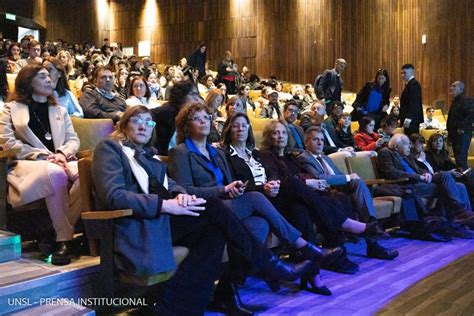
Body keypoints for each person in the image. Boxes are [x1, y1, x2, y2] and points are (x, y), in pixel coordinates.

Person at [91, 105, 312, 315]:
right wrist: (166, 205)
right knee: (215, 208)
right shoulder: (110, 148)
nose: (143, 126)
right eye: (136, 121)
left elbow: (169, 184)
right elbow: (114, 196)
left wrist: (181, 196)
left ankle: (175, 310)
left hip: (164, 219)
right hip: (142, 223)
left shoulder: (149, 156)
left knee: (213, 233)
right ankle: (267, 263)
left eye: (149, 123)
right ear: (124, 126)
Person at [167, 103, 336, 300]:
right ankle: (302, 247)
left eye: (206, 117)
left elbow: (230, 182)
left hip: (228, 205)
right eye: (197, 118)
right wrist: (222, 190)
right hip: (205, 210)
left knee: (259, 224)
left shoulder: (216, 152)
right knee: (256, 198)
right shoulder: (180, 152)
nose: (204, 122)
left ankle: (229, 289)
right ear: (187, 125)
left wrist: (235, 187)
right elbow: (185, 190)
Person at [258, 120, 391, 274]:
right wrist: (309, 182)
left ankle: (334, 255)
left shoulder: (290, 157)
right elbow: (279, 178)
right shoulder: (265, 155)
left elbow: (302, 176)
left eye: (282, 132)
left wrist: (310, 182)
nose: (280, 136)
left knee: (335, 200)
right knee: (309, 200)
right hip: (280, 199)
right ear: (268, 136)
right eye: (275, 133)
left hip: (298, 199)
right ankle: (346, 227)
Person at [0, 64, 81, 265]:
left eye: (49, 76)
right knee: (55, 173)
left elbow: (73, 140)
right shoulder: (10, 109)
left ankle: (54, 233)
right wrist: (41, 155)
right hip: (26, 165)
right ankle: (64, 239)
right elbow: (7, 142)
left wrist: (62, 153)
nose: (49, 80)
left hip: (61, 160)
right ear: (28, 81)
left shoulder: (60, 110)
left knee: (87, 172)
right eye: (42, 76)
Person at [297, 126, 398, 259]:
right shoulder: (304, 158)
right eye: (316, 140)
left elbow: (339, 176)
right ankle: (373, 233)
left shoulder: (326, 158)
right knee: (354, 186)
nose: (320, 143)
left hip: (340, 190)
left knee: (358, 183)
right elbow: (321, 178)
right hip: (325, 193)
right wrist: (348, 177)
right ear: (306, 142)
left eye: (321, 140)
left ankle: (371, 226)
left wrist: (349, 178)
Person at [377, 134, 473, 227]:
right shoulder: (385, 153)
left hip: (420, 181)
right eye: (407, 144)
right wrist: (419, 177)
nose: (410, 147)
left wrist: (426, 173)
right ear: (397, 147)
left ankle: (466, 219)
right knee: (452, 188)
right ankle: (458, 218)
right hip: (408, 184)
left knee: (453, 180)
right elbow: (391, 173)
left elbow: (418, 169)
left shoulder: (407, 155)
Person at [151, 80, 202, 155]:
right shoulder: (168, 110)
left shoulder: (190, 113)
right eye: (193, 94)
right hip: (163, 157)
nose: (197, 99)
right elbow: (147, 115)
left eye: (198, 95)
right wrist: (150, 143)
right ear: (182, 95)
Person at [446, 81, 474, 170]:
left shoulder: (466, 99)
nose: (451, 88)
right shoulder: (456, 100)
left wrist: (462, 127)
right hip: (455, 134)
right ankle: (461, 179)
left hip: (462, 134)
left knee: (461, 159)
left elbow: (471, 114)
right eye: (451, 86)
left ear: (461, 89)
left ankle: (466, 181)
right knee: (458, 159)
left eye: (454, 86)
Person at [399, 64, 423, 135]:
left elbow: (414, 102)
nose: (402, 75)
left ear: (412, 72)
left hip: (411, 119)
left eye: (405, 73)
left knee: (412, 139)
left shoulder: (414, 84)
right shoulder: (410, 84)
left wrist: (409, 118)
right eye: (402, 73)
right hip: (410, 118)